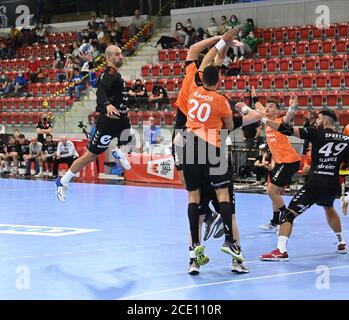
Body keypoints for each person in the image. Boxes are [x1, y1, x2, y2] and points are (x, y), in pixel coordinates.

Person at [182, 30, 248, 275]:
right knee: (224, 197)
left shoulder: (193, 88)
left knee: (193, 199)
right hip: (213, 146)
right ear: (218, 80)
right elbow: (229, 127)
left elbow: (209, 58)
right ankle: (231, 244)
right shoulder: (220, 99)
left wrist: (223, 42)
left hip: (189, 145)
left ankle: (194, 252)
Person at [260, 110, 348, 260]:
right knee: (329, 207)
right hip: (332, 185)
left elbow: (285, 130)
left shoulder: (316, 134)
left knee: (288, 214)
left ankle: (281, 250)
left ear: (325, 122)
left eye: (318, 119)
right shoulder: (346, 139)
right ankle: (341, 243)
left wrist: (264, 120)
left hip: (315, 184)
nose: (315, 122)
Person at [55, 45, 133, 202]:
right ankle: (62, 181)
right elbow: (100, 91)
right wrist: (107, 104)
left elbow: (94, 82)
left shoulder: (109, 74)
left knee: (128, 136)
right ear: (109, 58)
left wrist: (90, 63)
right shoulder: (110, 73)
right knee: (90, 156)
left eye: (121, 54)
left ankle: (118, 150)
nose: (121, 57)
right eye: (118, 54)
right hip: (108, 123)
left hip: (121, 120)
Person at [252, 88, 301, 232]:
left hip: (289, 161)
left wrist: (292, 107)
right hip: (280, 162)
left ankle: (287, 216)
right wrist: (254, 98)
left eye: (271, 107)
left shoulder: (280, 122)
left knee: (271, 192)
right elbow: (260, 108)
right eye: (267, 106)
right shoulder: (266, 119)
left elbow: (289, 116)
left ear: (277, 112)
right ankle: (275, 221)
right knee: (276, 192)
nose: (267, 108)